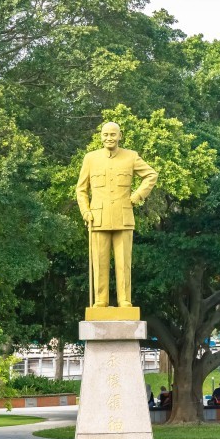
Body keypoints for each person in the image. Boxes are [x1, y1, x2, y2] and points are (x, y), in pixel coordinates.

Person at [76, 122, 158, 309]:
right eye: (105, 134)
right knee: (99, 262)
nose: (109, 138)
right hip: (98, 219)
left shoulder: (131, 156)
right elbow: (81, 189)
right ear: (100, 136)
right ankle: (100, 301)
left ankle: (124, 300)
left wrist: (137, 196)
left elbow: (151, 175)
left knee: (124, 263)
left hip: (123, 218)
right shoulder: (91, 158)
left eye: (113, 134)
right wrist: (85, 211)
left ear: (120, 136)